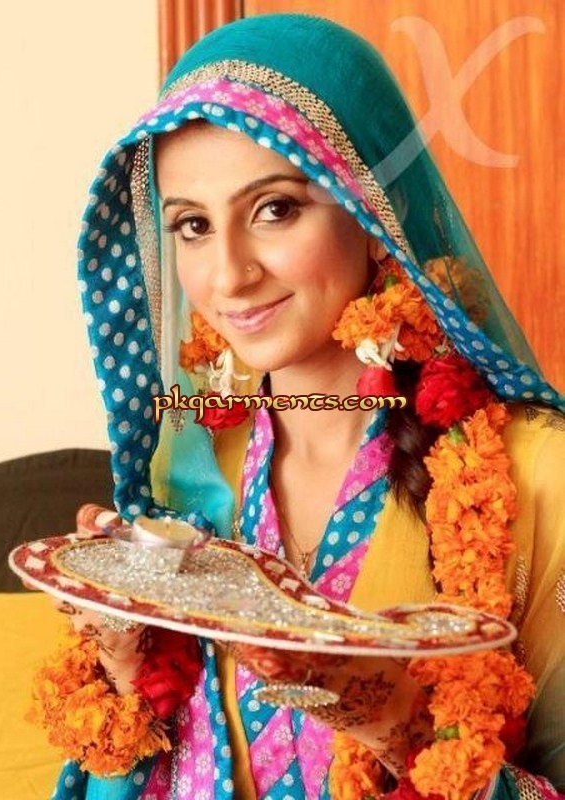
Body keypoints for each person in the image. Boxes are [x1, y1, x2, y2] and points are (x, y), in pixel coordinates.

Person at [28, 13, 564, 800]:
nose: (228, 275)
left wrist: (395, 723)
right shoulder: (191, 463)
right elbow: (155, 748)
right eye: (192, 225)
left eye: (274, 209)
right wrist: (122, 652)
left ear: (375, 215)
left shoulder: (533, 475)